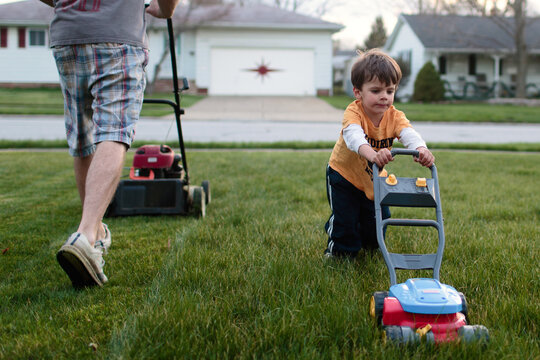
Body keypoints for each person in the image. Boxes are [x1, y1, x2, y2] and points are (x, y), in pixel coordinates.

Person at [38, 0, 180, 288]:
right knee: (114, 131)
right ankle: (87, 235)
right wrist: (165, 9)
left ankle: (96, 233)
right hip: (119, 35)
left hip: (68, 37)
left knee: (83, 135)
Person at [324, 49, 435, 258]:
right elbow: (353, 137)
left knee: (376, 223)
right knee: (345, 220)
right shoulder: (354, 112)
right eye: (376, 91)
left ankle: (371, 246)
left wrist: (421, 149)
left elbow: (409, 133)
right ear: (358, 92)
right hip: (343, 175)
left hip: (373, 179)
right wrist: (373, 155)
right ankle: (339, 253)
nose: (384, 96)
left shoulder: (395, 116)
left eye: (389, 91)